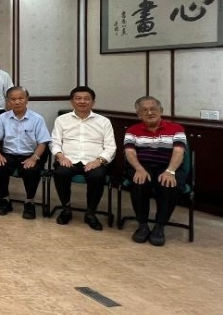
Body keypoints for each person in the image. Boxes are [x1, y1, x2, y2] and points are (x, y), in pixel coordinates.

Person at [50, 86, 117, 230]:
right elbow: (55, 142)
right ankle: (66, 209)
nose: (82, 101)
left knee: (97, 176)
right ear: (72, 101)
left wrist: (99, 161)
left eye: (87, 99)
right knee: (61, 173)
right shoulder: (62, 120)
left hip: (94, 161)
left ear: (93, 102)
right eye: (78, 98)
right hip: (68, 159)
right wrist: (60, 156)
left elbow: (111, 147)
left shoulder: (104, 121)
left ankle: (91, 213)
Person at [123, 96, 187, 246]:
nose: (150, 112)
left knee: (168, 184)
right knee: (140, 181)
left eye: (153, 109)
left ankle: (160, 227)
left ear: (161, 111)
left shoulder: (176, 129)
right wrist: (139, 169)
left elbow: (179, 152)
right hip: (142, 165)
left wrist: (170, 171)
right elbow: (130, 153)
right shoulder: (132, 130)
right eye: (144, 110)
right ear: (138, 114)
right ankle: (143, 225)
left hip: (169, 166)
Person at [0, 87, 49, 220]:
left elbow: (43, 142)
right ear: (8, 101)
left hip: (29, 154)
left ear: (27, 100)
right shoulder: (2, 118)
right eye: (13, 99)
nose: (17, 102)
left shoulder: (37, 119)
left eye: (21, 98)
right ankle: (4, 200)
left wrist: (34, 158)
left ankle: (29, 202)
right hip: (8, 154)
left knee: (31, 170)